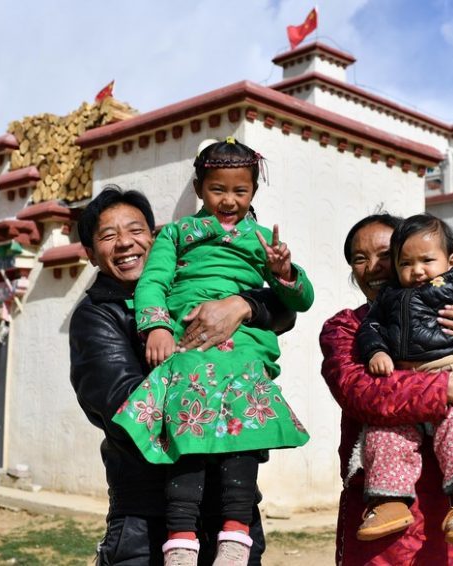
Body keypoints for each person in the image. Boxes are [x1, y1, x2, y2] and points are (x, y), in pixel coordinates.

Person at [111, 138, 314, 566]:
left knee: (242, 432)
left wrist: (282, 273)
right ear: (200, 188)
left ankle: (236, 536)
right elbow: (153, 284)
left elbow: (301, 301)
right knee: (189, 426)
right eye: (218, 189)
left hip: (242, 347)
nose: (229, 200)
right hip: (188, 344)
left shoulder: (262, 240)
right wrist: (157, 327)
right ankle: (181, 538)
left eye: (240, 191)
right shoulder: (176, 234)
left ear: (253, 193)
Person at [69, 185, 296, 565]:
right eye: (109, 236)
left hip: (230, 515)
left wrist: (241, 305)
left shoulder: (195, 288)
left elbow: (284, 309)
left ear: (155, 238)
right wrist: (218, 389)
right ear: (91, 254)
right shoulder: (98, 316)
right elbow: (125, 409)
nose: (126, 243)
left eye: (136, 230)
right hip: (149, 519)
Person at [319, 212, 453, 565]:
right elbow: (363, 394)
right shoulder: (346, 329)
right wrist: (448, 388)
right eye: (359, 259)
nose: (374, 267)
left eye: (385, 254)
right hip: (382, 515)